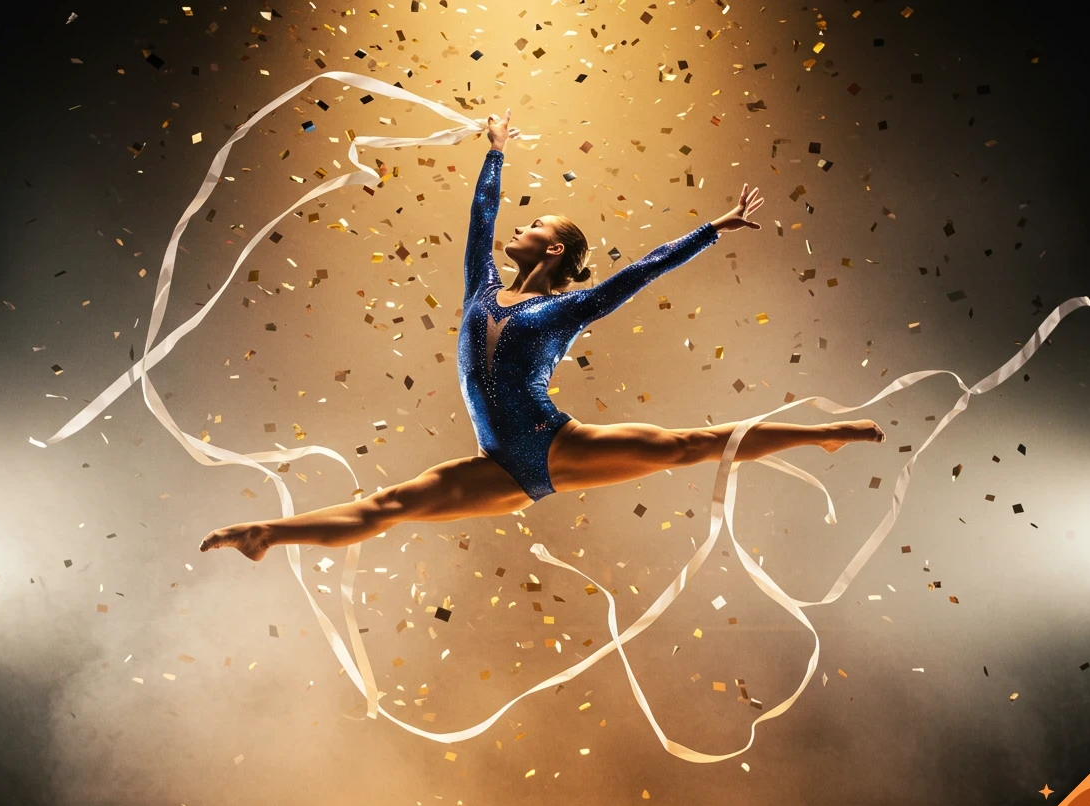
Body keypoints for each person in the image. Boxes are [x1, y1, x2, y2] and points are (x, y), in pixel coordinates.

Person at [200, 109, 884, 561]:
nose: (517, 231)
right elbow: (480, 218)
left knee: (689, 445)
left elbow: (640, 272)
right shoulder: (481, 288)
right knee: (387, 507)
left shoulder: (568, 309)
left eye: (536, 229)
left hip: (554, 445)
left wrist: (711, 230)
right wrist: (495, 153)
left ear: (553, 253)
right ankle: (268, 535)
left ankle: (822, 433)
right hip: (495, 464)